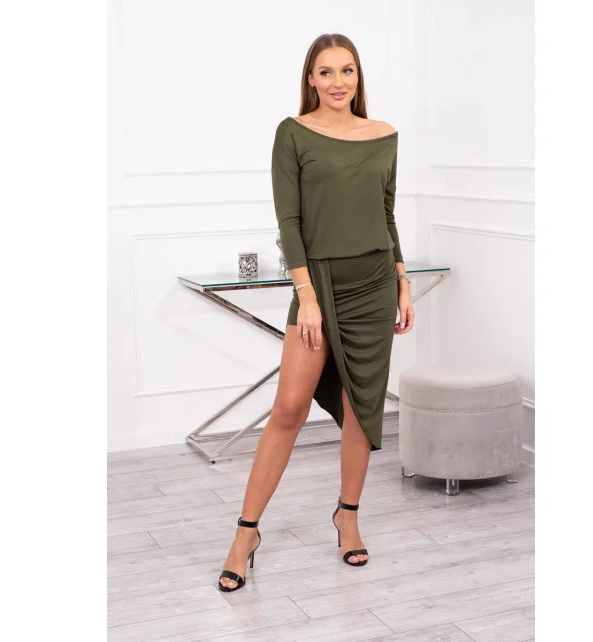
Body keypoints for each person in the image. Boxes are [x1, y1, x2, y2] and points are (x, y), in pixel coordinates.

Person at [218, 33, 414, 592]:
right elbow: (290, 221)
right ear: (310, 78)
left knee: (360, 410)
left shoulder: (384, 136)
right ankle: (245, 535)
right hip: (319, 285)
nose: (337, 82)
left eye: (346, 70)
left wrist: (402, 283)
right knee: (288, 408)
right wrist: (306, 296)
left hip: (375, 285)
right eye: (325, 72)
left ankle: (347, 517)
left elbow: (386, 215)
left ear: (359, 75)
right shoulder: (293, 132)